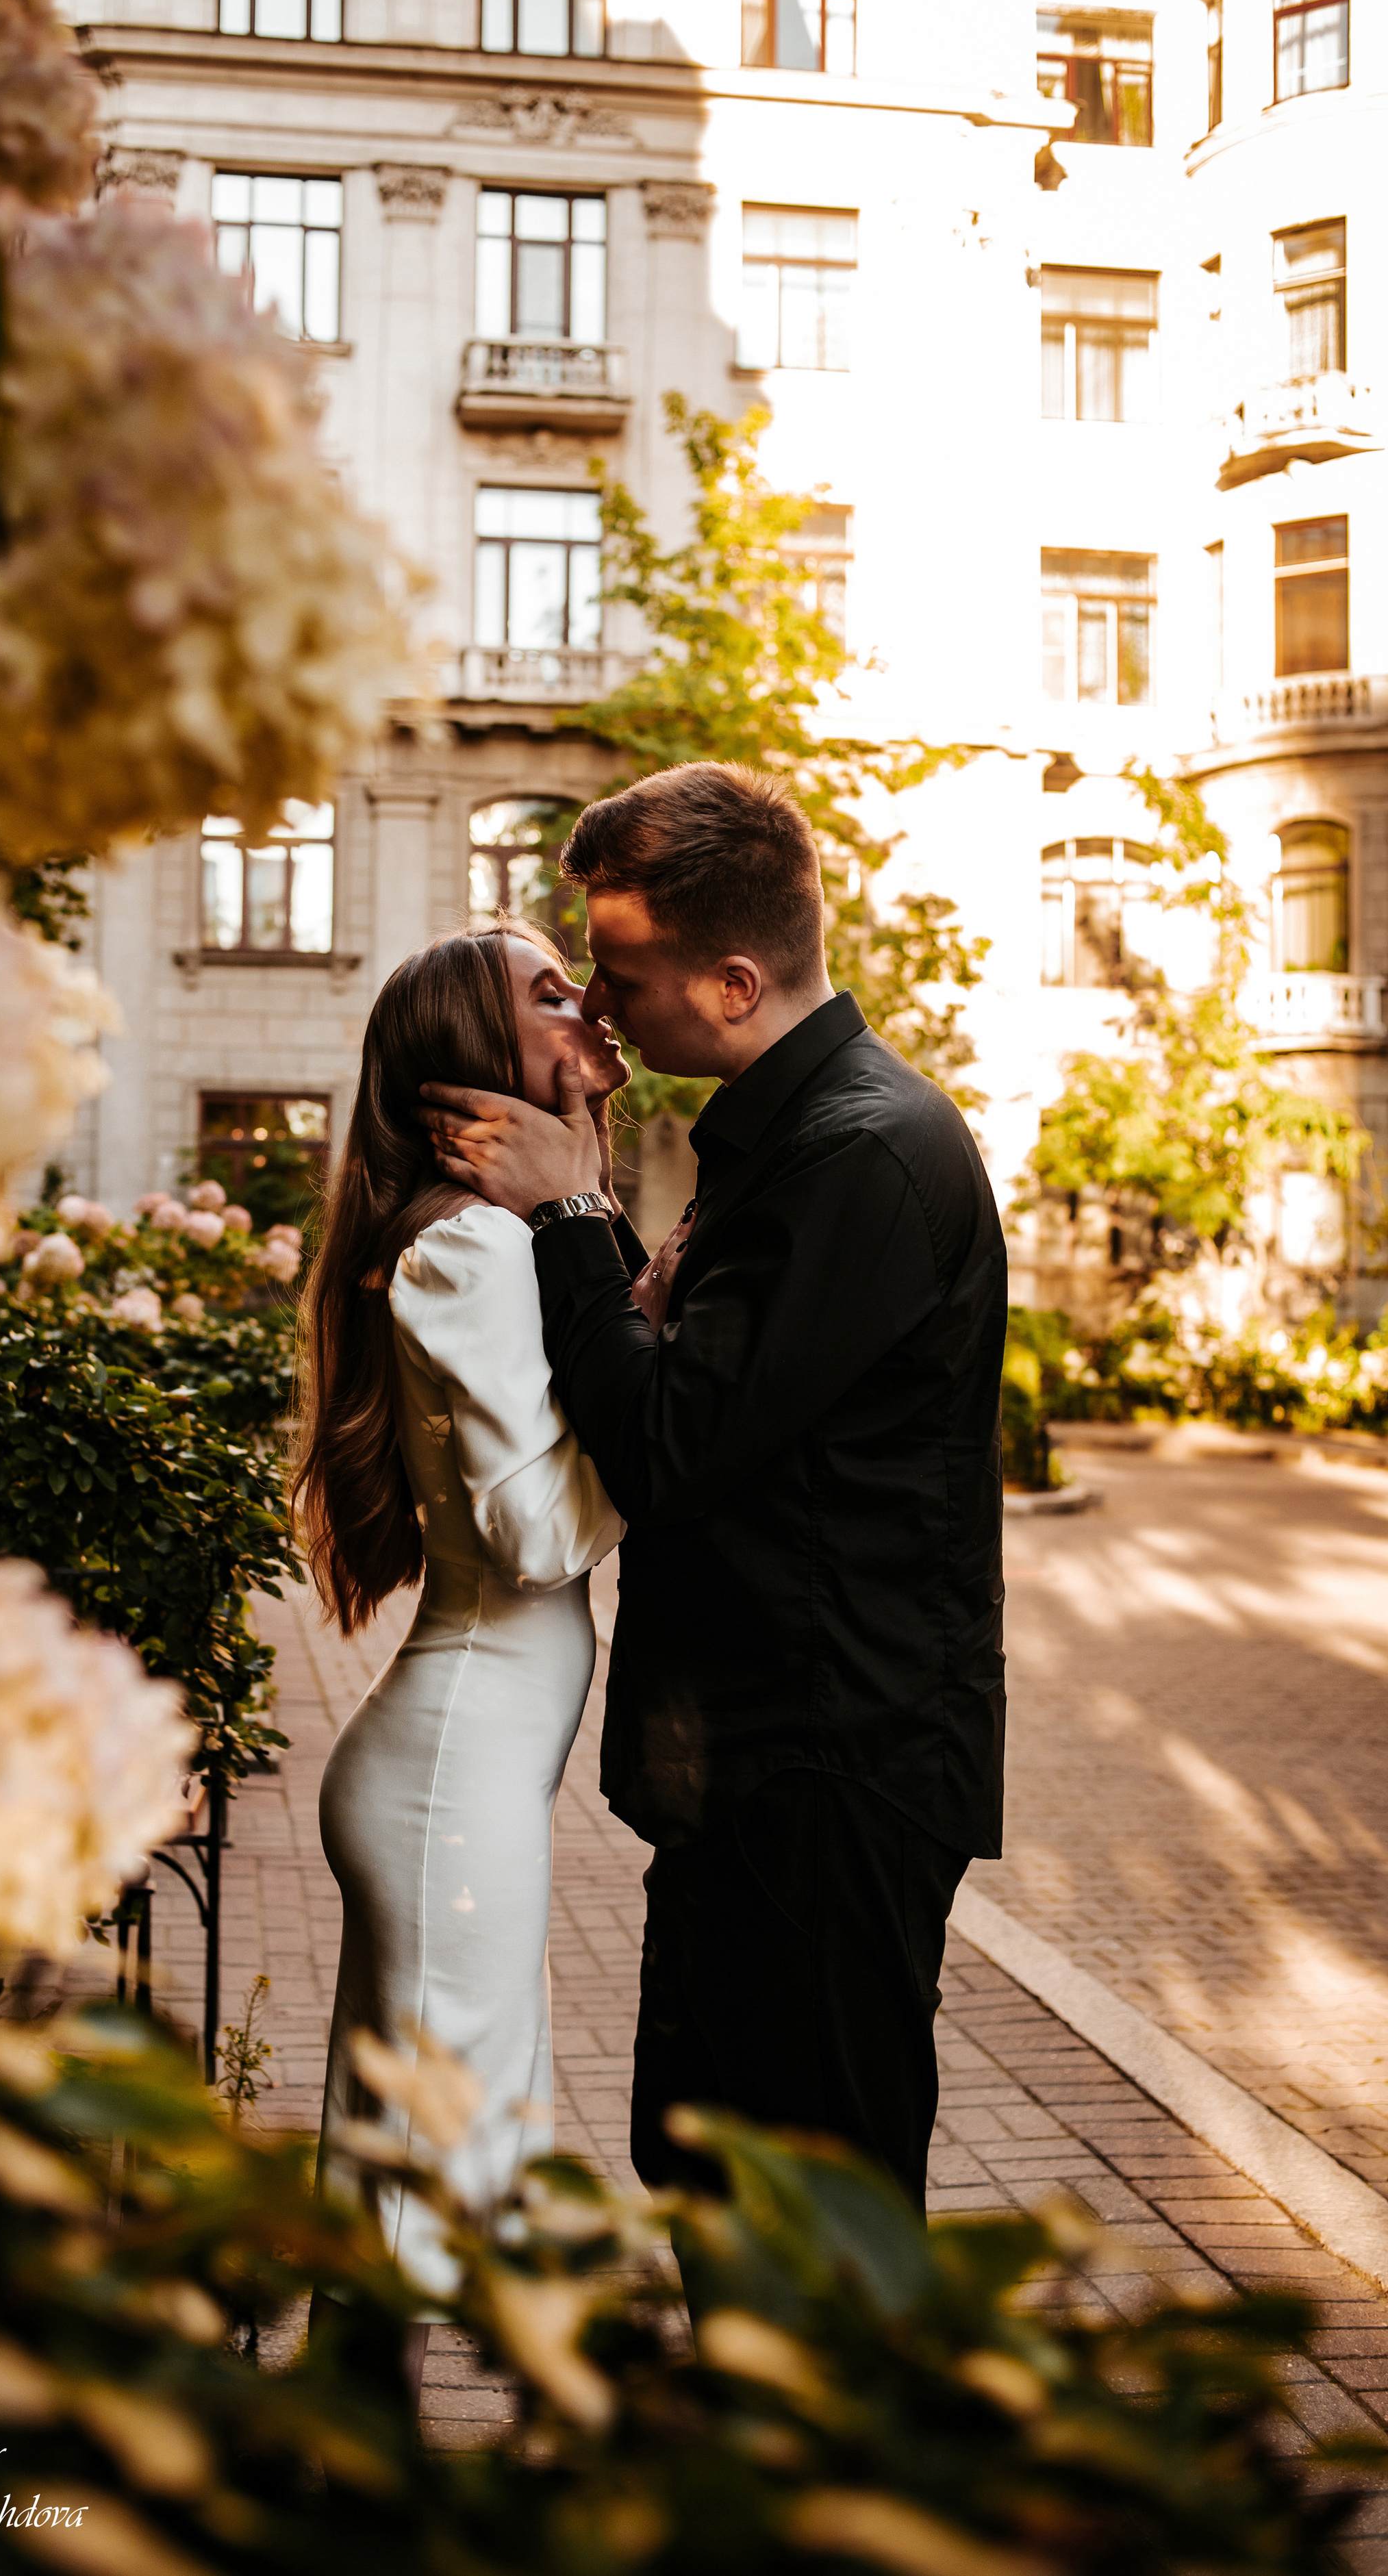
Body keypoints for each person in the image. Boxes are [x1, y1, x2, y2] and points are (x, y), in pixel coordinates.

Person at [422, 761, 1007, 2215]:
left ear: (734, 982)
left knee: (809, 2220)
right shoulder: (782, 1139)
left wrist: (565, 1212)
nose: (600, 1005)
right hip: (758, 1767)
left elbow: (669, 1446)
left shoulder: (857, 1156)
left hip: (827, 1774)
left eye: (617, 972)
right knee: (700, 2167)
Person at [293, 920, 630, 2358]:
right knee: (449, 2184)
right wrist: (661, 1405)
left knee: (403, 2177)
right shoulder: (476, 1245)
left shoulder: (515, 1232)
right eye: (550, 994)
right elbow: (537, 1535)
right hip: (446, 1787)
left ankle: (333, 2486)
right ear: (477, 1068)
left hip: (454, 1778)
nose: (590, 1001)